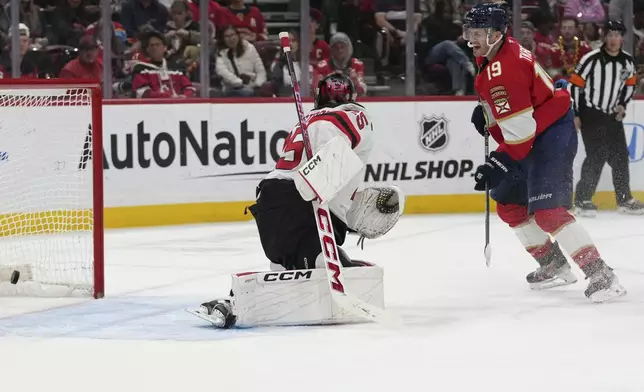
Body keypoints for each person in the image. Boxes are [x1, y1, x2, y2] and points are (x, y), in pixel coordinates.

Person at [191, 73, 404, 328]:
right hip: (304, 204)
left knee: (282, 267)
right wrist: (338, 200)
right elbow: (330, 164)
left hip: (270, 198)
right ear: (352, 97)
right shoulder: (354, 115)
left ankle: (233, 302)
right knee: (326, 265)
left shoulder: (305, 121)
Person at [466, 3, 626, 303]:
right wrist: (487, 113)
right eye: (468, 31)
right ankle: (554, 264)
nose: (470, 38)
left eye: (477, 32)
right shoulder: (497, 53)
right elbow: (520, 107)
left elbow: (521, 133)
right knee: (510, 206)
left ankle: (601, 273)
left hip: (551, 133)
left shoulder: (504, 69)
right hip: (536, 128)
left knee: (548, 212)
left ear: (497, 34)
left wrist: (497, 162)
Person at [569, 20, 644, 216]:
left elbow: (630, 84)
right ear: (604, 37)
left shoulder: (627, 61)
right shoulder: (591, 59)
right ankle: (583, 199)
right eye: (610, 35)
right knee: (597, 156)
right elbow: (575, 85)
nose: (613, 39)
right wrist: (576, 113)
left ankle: (624, 199)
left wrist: (622, 105)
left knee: (620, 157)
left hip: (612, 117)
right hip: (591, 114)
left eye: (617, 35)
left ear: (622, 38)